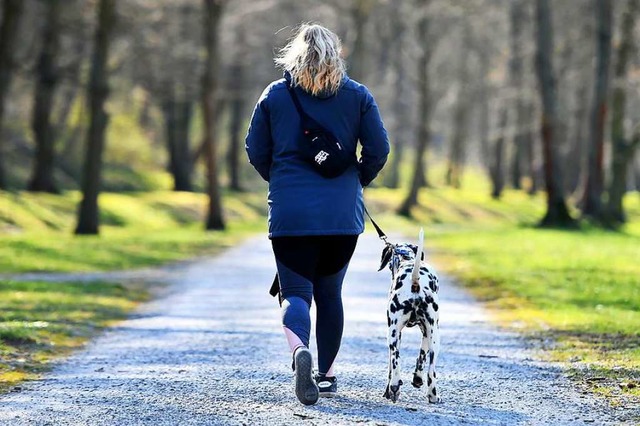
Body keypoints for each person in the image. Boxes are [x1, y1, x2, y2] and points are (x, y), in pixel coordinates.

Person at [245, 23, 389, 405]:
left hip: (290, 215)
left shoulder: (275, 95)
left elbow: (255, 149)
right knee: (330, 293)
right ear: (336, 54)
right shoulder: (358, 96)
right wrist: (357, 179)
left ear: (294, 55)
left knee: (295, 293)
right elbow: (379, 149)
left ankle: (298, 354)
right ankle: (325, 375)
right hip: (342, 217)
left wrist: (279, 180)